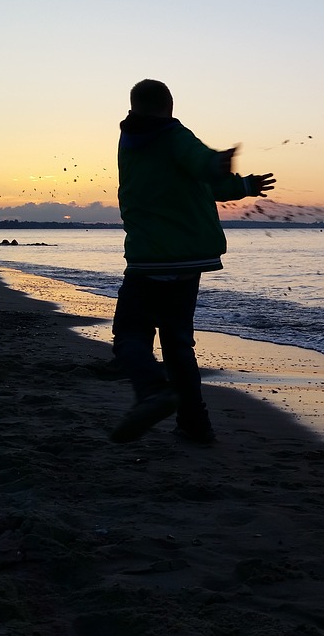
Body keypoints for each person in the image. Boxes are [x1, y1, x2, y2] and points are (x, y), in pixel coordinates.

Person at [109, 79, 275, 444]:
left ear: (133, 107)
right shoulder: (174, 134)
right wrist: (232, 175)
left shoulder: (130, 141)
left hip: (150, 258)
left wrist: (237, 181)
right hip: (187, 259)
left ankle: (153, 390)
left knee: (129, 334)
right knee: (178, 343)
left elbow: (202, 173)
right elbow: (203, 169)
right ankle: (195, 425)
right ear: (169, 106)